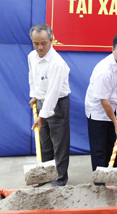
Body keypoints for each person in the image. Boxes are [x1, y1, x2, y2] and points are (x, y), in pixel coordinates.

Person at [85, 33, 117, 184]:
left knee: (112, 142)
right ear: (113, 49)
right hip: (98, 110)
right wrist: (115, 123)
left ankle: (114, 172)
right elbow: (103, 100)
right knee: (99, 147)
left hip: (112, 105)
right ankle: (99, 179)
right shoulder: (103, 71)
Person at [28, 24, 71, 187]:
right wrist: (34, 95)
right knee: (44, 142)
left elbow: (53, 93)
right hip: (41, 102)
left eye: (44, 43)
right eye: (36, 43)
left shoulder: (57, 63)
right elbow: (32, 76)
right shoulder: (32, 56)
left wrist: (42, 116)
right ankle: (45, 174)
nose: (40, 47)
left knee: (59, 143)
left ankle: (60, 179)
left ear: (51, 40)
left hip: (58, 104)